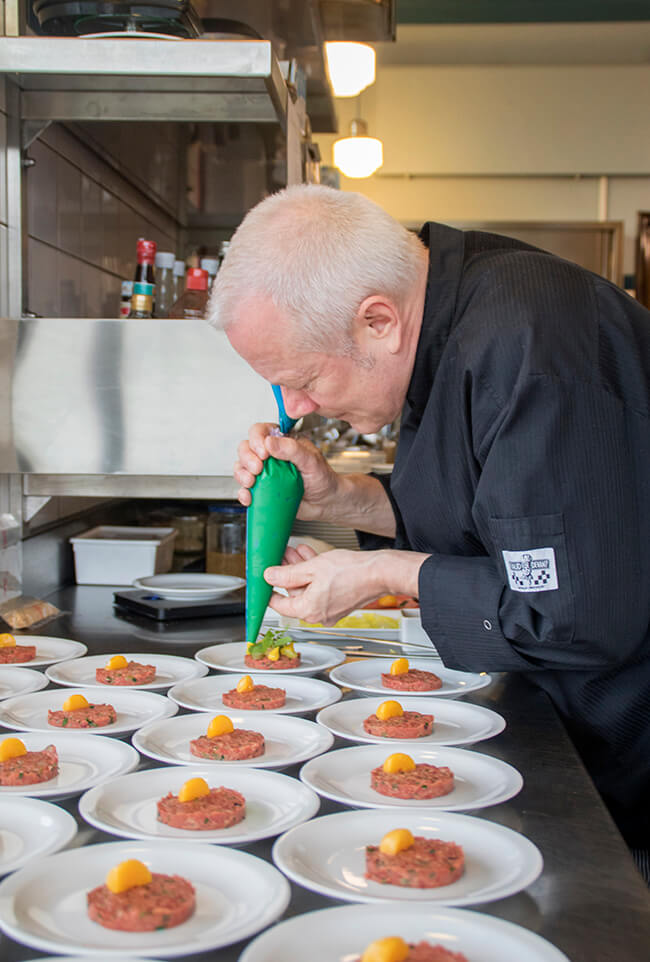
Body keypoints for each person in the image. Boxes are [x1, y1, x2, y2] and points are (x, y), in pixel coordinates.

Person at [207, 184, 650, 872]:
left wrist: (378, 572)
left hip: (630, 745)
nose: (294, 409)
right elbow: (478, 513)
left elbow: (572, 611)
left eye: (300, 379)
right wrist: (334, 496)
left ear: (377, 321)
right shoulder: (445, 316)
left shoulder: (530, 346)